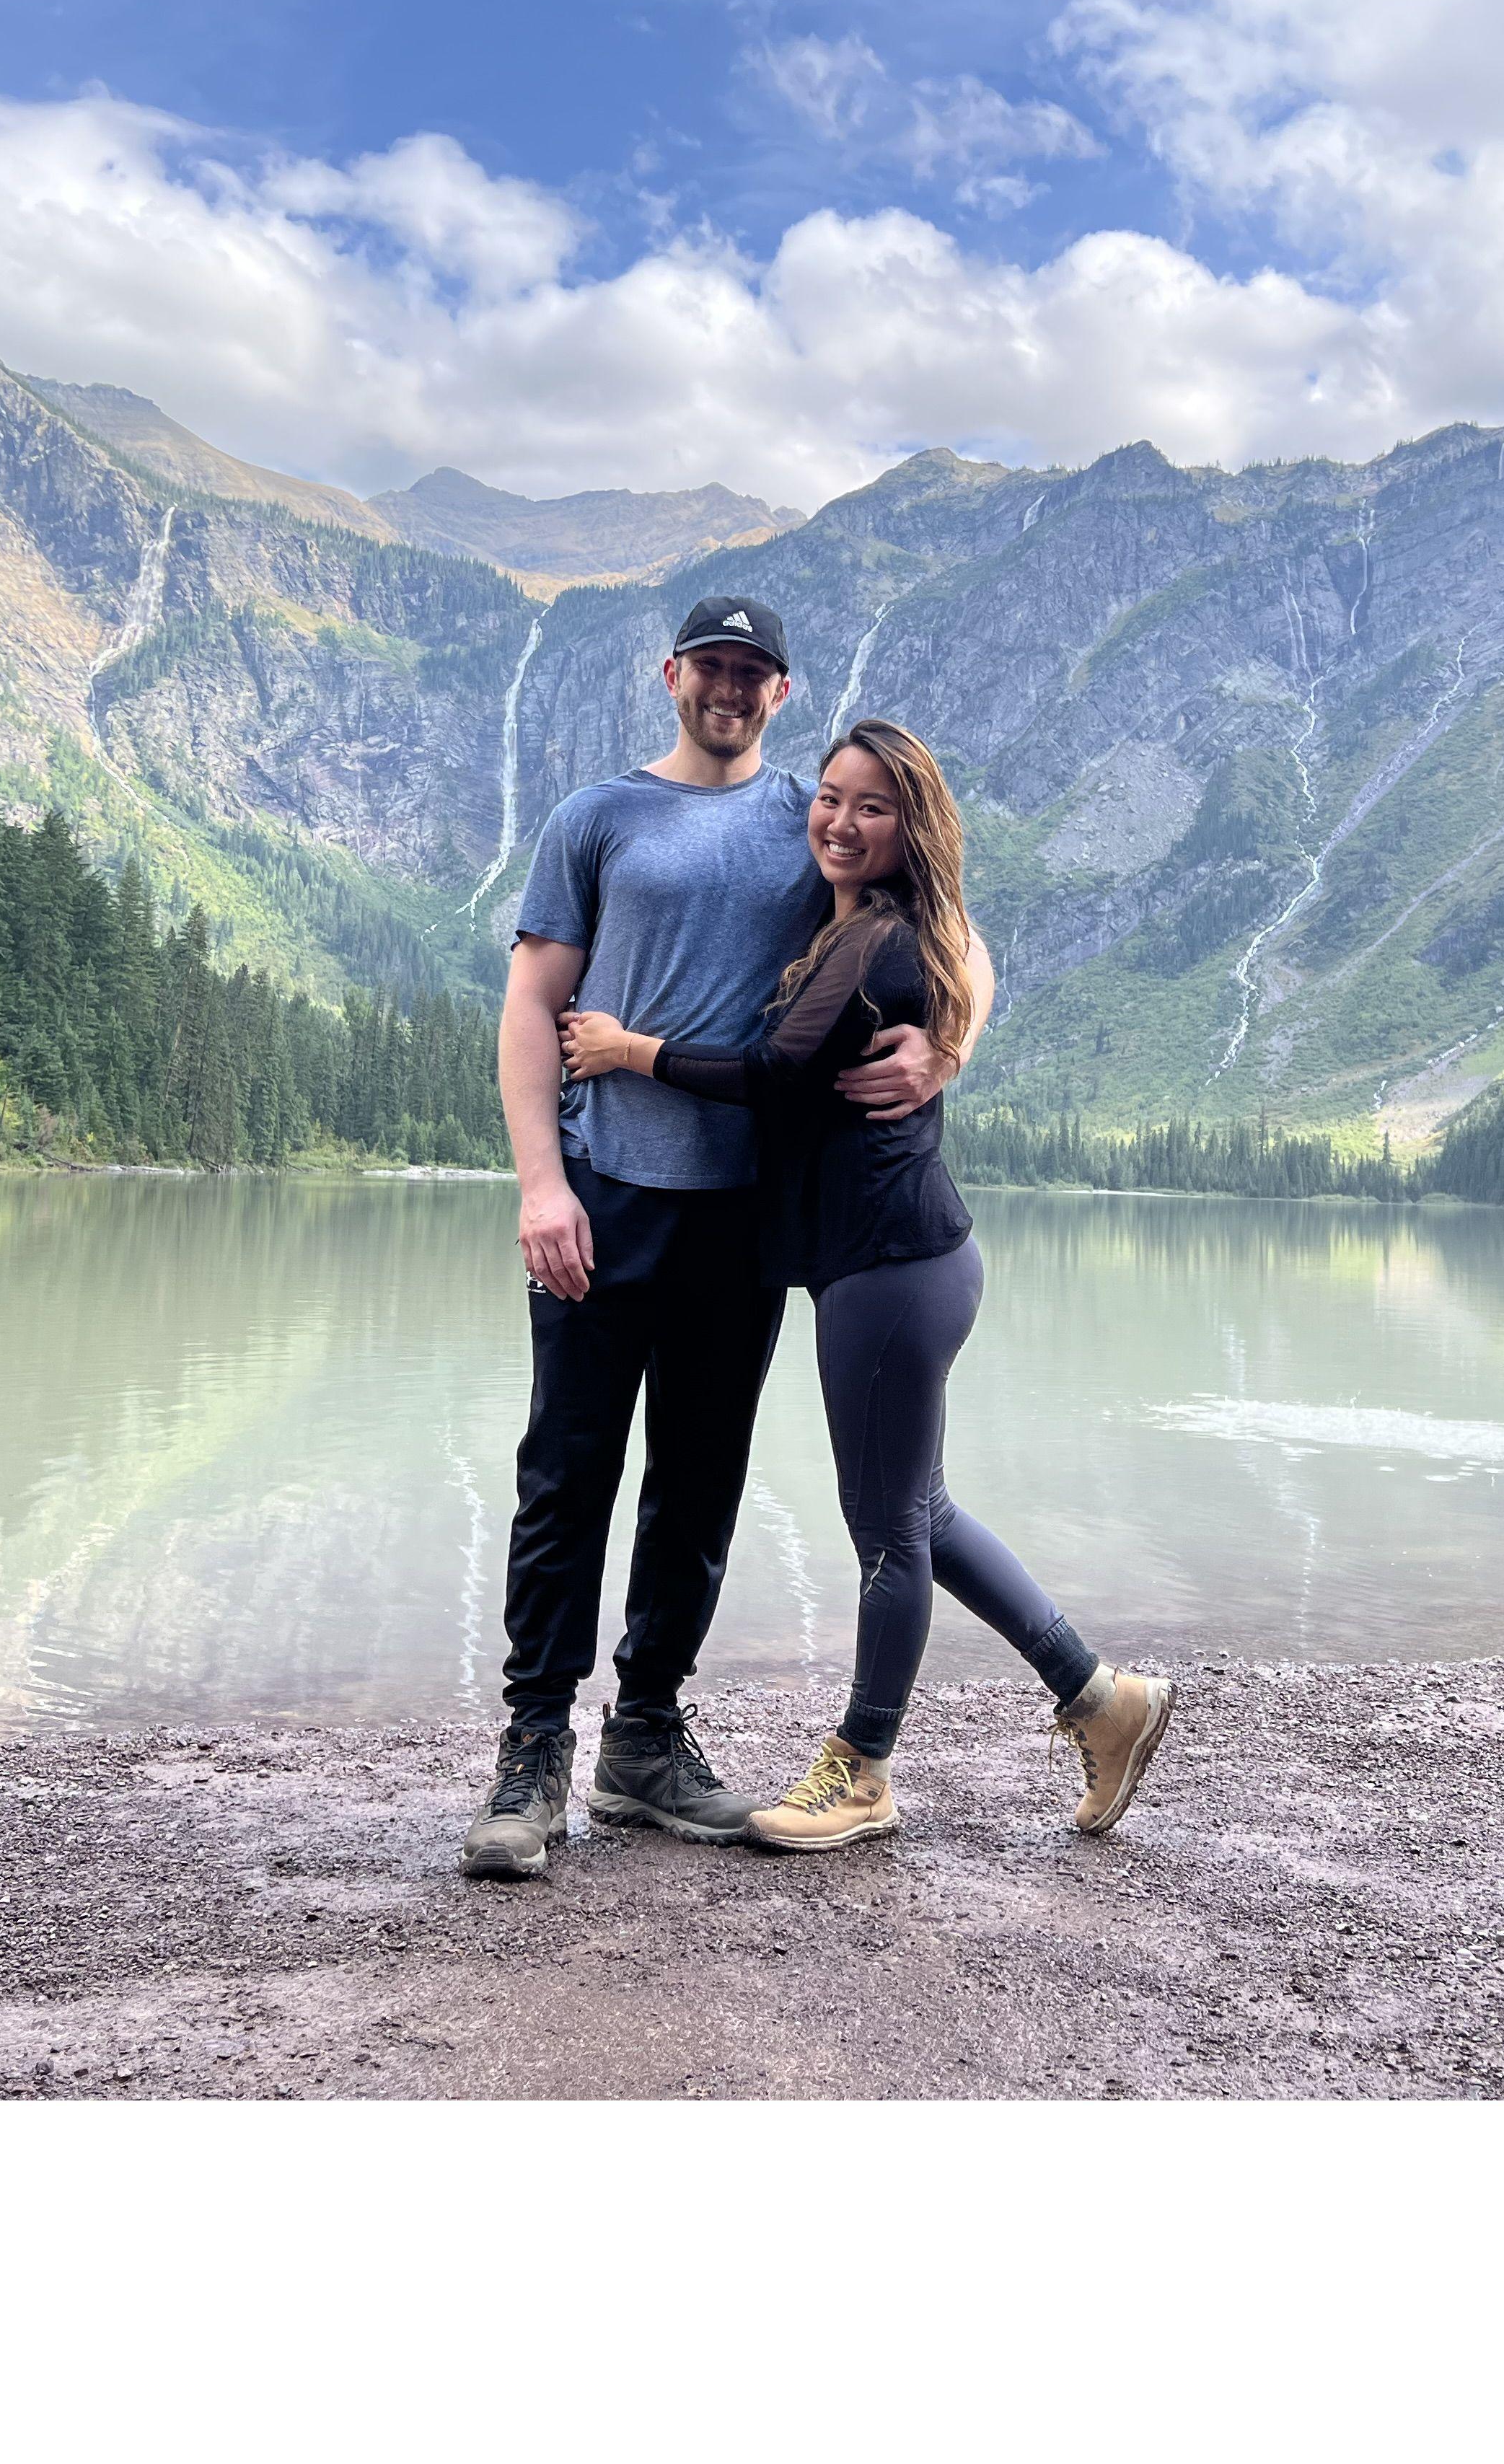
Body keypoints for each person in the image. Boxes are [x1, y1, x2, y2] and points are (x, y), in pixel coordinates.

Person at [558, 716, 1174, 1852]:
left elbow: (779, 1078)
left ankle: (865, 1768)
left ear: (912, 827)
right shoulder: (847, 919)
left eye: (872, 807)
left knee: (888, 1532)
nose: (840, 822)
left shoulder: (885, 942)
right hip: (889, 1259)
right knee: (924, 1514)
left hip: (891, 1266)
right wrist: (954, 1033)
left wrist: (625, 1050)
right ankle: (1102, 1699)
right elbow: (943, 970)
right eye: (830, 798)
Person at [458, 599, 983, 1881]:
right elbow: (532, 1003)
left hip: (743, 1215)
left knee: (697, 1484)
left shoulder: (819, 818)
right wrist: (541, 1184)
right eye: (712, 668)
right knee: (566, 1472)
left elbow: (953, 927)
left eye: (754, 674)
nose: (730, 690)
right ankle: (534, 1751)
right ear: (673, 674)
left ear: (782, 690)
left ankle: (643, 1741)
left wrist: (947, 1047)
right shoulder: (598, 817)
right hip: (606, 1186)